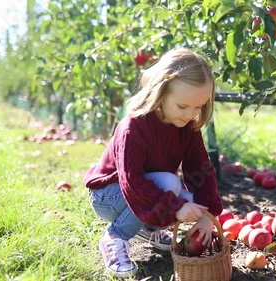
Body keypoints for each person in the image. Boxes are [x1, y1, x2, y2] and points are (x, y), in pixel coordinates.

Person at [84, 48, 224, 278]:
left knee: (192, 201)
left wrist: (208, 216)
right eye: (182, 106)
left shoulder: (187, 126)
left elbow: (200, 170)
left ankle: (148, 229)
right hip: (108, 196)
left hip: (144, 191)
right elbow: (132, 183)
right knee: (170, 185)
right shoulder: (134, 127)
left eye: (198, 106)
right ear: (160, 93)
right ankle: (116, 236)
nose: (191, 113)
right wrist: (176, 206)